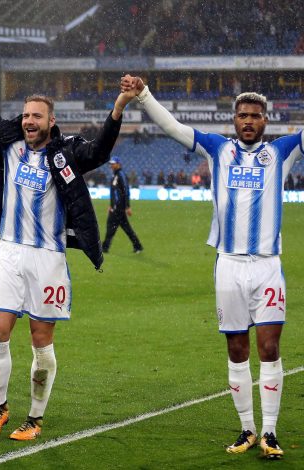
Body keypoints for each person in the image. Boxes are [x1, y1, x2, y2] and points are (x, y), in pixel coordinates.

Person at [0, 51, 129, 440]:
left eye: (36, 116)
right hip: (9, 251)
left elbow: (101, 151)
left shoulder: (67, 153)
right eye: (25, 115)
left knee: (41, 341)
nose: (28, 121)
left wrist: (120, 105)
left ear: (51, 121)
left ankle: (35, 418)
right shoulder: (8, 142)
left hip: (47, 259)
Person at [124, 75, 298, 459]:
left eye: (255, 116)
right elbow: (172, 128)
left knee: (269, 348)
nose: (249, 121)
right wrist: (145, 96)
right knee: (237, 349)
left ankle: (270, 431)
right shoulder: (217, 149)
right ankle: (247, 429)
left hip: (268, 266)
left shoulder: (283, 151)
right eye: (242, 116)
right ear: (233, 120)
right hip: (229, 266)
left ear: (266, 121)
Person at [101, 157, 143, 254]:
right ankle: (138, 246)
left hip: (119, 208)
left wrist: (127, 206)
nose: (111, 165)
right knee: (125, 227)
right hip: (115, 207)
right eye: (111, 164)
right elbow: (114, 193)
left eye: (113, 164)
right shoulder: (115, 175)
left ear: (118, 164)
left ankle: (105, 248)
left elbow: (126, 191)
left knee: (111, 226)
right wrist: (111, 205)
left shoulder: (121, 175)